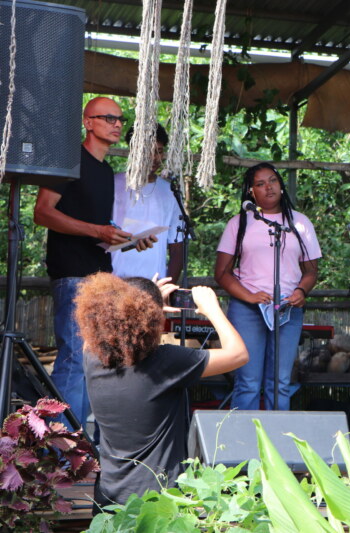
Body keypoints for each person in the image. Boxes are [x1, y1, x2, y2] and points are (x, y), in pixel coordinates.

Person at [76, 273, 247, 510]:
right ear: (153, 319)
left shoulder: (92, 358)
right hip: (158, 502)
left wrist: (144, 301)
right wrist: (212, 310)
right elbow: (238, 354)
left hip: (108, 500)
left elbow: (102, 328)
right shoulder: (165, 362)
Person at [33, 97, 153, 431]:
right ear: (88, 122)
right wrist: (97, 230)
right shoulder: (69, 159)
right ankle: (56, 447)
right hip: (71, 274)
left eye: (120, 119)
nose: (117, 124)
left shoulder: (104, 171)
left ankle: (77, 443)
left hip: (99, 275)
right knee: (73, 359)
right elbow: (42, 212)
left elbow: (97, 229)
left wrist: (128, 240)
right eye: (109, 118)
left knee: (92, 359)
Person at [214, 162, 321, 411]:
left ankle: (276, 444)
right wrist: (249, 297)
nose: (268, 187)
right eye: (260, 184)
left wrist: (301, 291)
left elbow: (311, 271)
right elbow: (221, 273)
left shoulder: (300, 223)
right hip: (248, 309)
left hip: (287, 308)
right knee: (248, 382)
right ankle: (243, 444)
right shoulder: (239, 223)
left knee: (280, 382)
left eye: (272, 180)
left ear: (281, 185)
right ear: (251, 192)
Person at [111, 123, 185, 281]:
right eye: (147, 152)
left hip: (154, 284)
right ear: (133, 151)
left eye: (159, 151)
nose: (154, 158)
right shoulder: (113, 184)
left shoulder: (171, 191)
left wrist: (166, 286)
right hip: (114, 282)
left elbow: (177, 248)